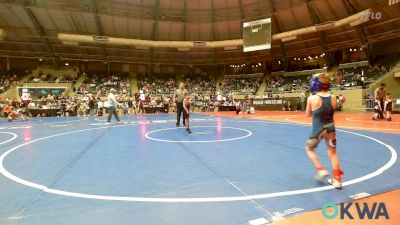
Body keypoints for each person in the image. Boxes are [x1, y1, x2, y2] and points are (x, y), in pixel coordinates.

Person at [305, 73, 343, 189]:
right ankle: (337, 180)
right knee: (333, 153)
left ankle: (321, 170)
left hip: (318, 129)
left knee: (309, 149)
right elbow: (332, 112)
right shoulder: (334, 98)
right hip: (331, 129)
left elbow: (307, 114)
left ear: (317, 85)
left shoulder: (312, 98)